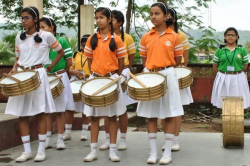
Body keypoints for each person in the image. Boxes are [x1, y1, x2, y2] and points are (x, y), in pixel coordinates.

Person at [5, 6, 64, 162]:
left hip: (38, 75)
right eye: (22, 18)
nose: (23, 21)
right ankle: (26, 151)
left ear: (35, 19)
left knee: (40, 113)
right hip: (23, 76)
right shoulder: (19, 37)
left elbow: (60, 52)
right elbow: (18, 58)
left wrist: (50, 66)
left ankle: (41, 150)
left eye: (27, 18)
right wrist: (14, 69)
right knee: (22, 114)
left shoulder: (47, 36)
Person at [137, 2, 184, 164]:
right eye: (151, 14)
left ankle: (168, 153)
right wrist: (151, 70)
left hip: (168, 74)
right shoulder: (145, 37)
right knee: (151, 115)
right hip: (150, 75)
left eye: (157, 13)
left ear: (166, 16)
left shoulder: (175, 37)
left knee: (169, 114)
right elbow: (144, 59)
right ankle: (153, 153)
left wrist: (164, 68)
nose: (153, 17)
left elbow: (178, 59)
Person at [83, 7, 127, 162]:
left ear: (109, 19)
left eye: (101, 17)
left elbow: (121, 62)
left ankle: (113, 151)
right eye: (96, 18)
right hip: (95, 80)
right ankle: (93, 151)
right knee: (94, 117)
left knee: (112, 116)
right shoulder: (91, 39)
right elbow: (89, 59)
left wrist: (115, 76)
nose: (98, 20)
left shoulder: (117, 40)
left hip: (111, 80)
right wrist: (94, 74)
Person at [99, 10, 136, 151]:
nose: (110, 22)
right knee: (107, 107)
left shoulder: (126, 38)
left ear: (119, 22)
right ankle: (108, 139)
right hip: (108, 74)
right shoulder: (103, 37)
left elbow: (131, 56)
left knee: (122, 108)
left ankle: (123, 139)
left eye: (113, 20)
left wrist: (124, 69)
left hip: (121, 73)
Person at [39, 17, 75, 150]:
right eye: (39, 28)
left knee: (60, 110)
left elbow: (69, 62)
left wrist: (61, 73)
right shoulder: (41, 43)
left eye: (43, 27)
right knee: (47, 111)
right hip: (45, 78)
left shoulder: (62, 42)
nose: (41, 30)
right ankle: (47, 138)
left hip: (59, 76)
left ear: (52, 27)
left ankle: (60, 139)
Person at [161, 7, 193, 152]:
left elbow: (184, 58)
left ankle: (176, 139)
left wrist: (179, 73)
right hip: (162, 75)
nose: (166, 17)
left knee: (176, 108)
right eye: (165, 15)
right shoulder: (158, 35)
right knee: (163, 107)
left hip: (176, 74)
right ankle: (166, 139)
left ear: (174, 19)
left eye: (169, 15)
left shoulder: (180, 35)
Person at [212, 27, 250, 109]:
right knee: (224, 99)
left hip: (238, 77)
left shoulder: (241, 50)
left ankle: (237, 118)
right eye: (228, 35)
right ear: (225, 37)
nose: (230, 37)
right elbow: (215, 65)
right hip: (223, 77)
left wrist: (237, 72)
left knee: (238, 99)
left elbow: (245, 65)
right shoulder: (220, 50)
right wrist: (222, 74)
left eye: (232, 35)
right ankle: (226, 118)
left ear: (237, 37)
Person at [63, 34, 91, 141]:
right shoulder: (76, 55)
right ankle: (67, 132)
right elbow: (68, 69)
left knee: (86, 108)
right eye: (83, 46)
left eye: (87, 46)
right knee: (70, 108)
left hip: (87, 81)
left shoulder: (94, 55)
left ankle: (84, 132)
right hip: (75, 81)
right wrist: (73, 71)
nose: (85, 48)